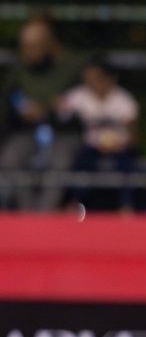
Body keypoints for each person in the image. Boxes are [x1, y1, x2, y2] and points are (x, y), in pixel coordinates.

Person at [0, 13, 83, 210]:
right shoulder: (20, 66)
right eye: (24, 47)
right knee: (10, 157)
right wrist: (19, 113)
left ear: (49, 44)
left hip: (63, 134)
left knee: (60, 161)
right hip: (27, 132)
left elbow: (82, 110)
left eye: (32, 47)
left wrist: (48, 111)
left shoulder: (73, 67)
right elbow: (7, 104)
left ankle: (44, 216)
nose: (26, 53)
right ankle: (29, 213)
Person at [58, 55, 139, 211]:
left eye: (97, 78)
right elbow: (59, 113)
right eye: (88, 78)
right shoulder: (78, 95)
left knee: (127, 165)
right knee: (79, 162)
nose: (92, 83)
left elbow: (134, 134)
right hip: (91, 147)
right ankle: (75, 204)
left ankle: (126, 206)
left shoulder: (124, 100)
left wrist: (121, 144)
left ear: (110, 79)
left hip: (119, 148)